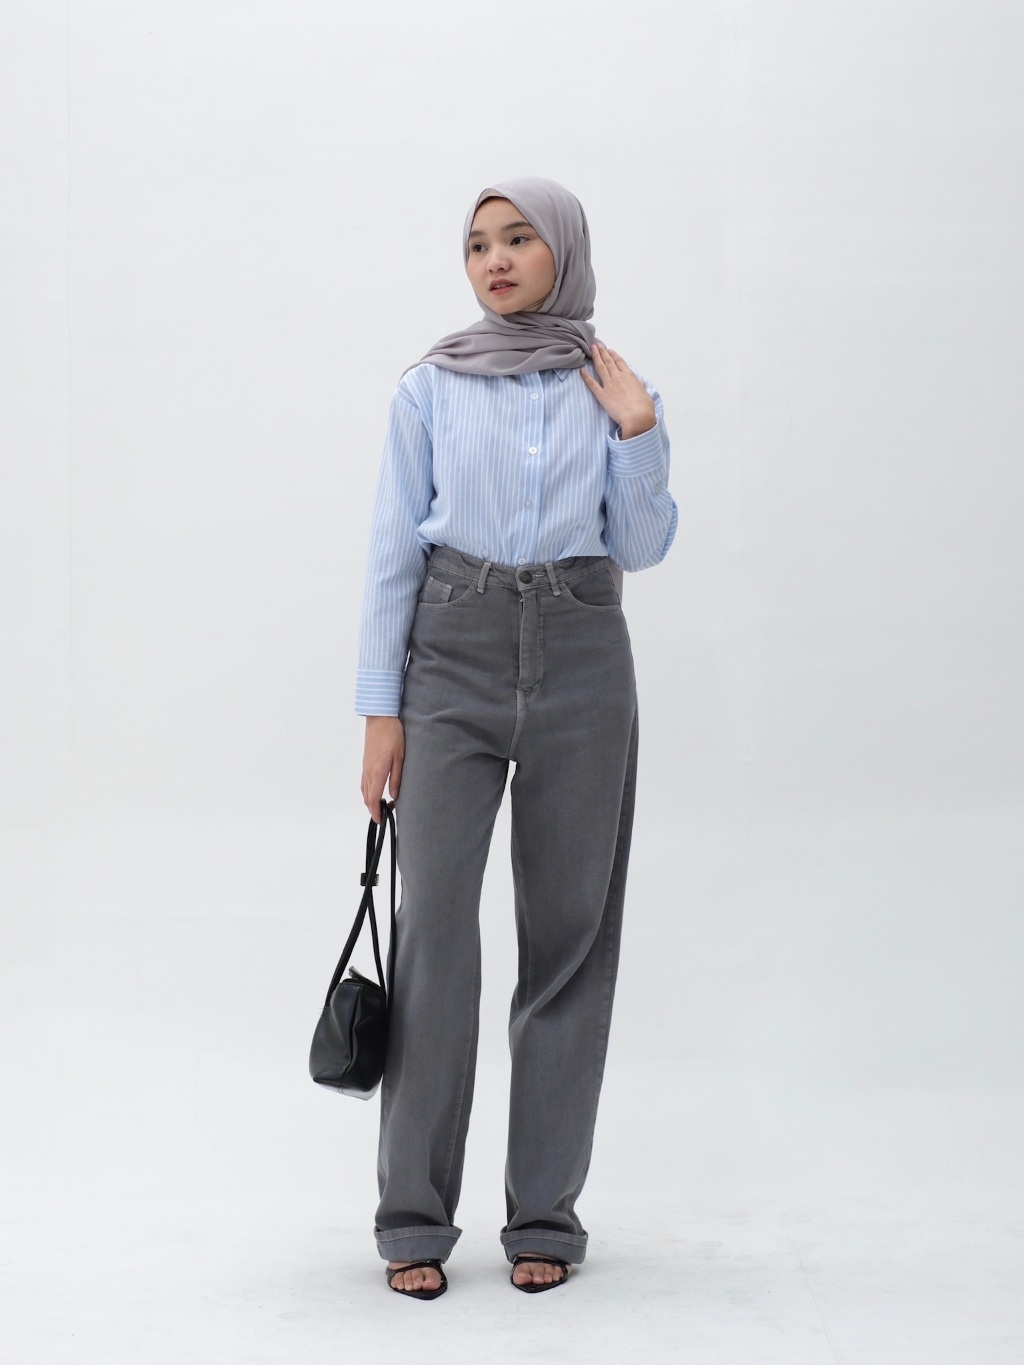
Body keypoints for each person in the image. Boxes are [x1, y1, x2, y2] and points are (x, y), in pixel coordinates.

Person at [355, 176, 677, 1299]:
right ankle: (412, 1220)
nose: (494, 260)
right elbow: (391, 552)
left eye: (519, 238)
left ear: (564, 252)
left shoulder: (616, 387)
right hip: (449, 654)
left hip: (585, 653)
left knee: (570, 941)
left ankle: (545, 1214)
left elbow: (642, 547)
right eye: (478, 244)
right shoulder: (431, 386)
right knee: (435, 934)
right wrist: (380, 712)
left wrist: (637, 434)